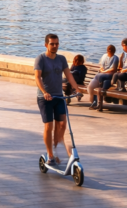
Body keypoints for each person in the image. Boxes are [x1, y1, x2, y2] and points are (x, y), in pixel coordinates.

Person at [34, 33, 83, 167]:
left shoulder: (61, 59)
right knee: (49, 126)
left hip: (59, 96)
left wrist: (77, 89)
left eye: (56, 44)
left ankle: (56, 145)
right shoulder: (41, 59)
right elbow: (37, 77)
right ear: (46, 45)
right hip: (45, 98)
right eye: (52, 44)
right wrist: (44, 92)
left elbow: (69, 75)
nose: (55, 46)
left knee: (62, 125)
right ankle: (50, 155)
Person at [88, 45, 119, 109]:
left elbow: (113, 69)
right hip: (101, 75)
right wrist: (102, 70)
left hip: (109, 75)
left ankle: (96, 102)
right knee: (91, 86)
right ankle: (93, 101)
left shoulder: (115, 58)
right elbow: (101, 66)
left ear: (114, 51)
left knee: (100, 78)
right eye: (108, 51)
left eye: (111, 51)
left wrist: (104, 72)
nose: (109, 52)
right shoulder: (104, 56)